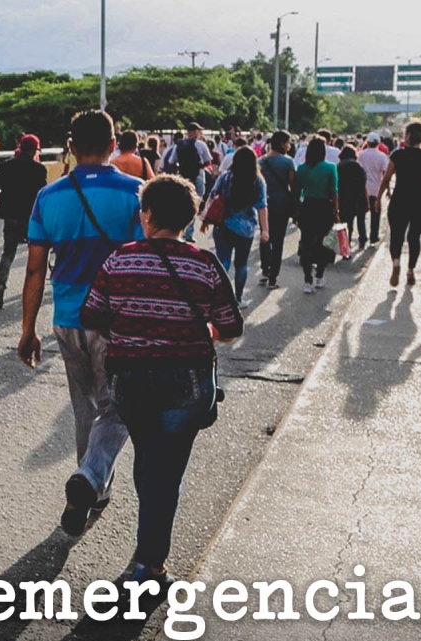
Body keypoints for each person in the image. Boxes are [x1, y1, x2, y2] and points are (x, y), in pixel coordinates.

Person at [80, 174, 243, 594]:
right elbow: (230, 327)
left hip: (130, 378)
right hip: (185, 381)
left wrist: (130, 324)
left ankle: (148, 552)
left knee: (149, 460)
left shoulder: (121, 259)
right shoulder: (204, 264)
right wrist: (203, 330)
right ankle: (151, 565)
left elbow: (92, 316)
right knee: (165, 469)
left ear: (146, 215)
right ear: (190, 218)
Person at [19, 109, 140, 536]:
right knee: (120, 408)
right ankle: (90, 479)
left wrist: (27, 330)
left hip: (67, 318)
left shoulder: (49, 198)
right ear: (114, 145)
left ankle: (91, 486)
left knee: (84, 406)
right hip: (117, 321)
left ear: (69, 147)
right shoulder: (136, 193)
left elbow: (35, 271)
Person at [377, 120, 421, 287]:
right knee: (414, 236)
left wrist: (379, 199)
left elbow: (386, 179)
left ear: (407, 136)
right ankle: (410, 270)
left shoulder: (397, 155)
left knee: (397, 235)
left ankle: (395, 263)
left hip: (400, 199)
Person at [199, 147, 268, 308]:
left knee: (222, 261)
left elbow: (212, 197)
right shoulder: (258, 181)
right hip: (246, 228)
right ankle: (238, 298)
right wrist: (265, 230)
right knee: (242, 264)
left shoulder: (225, 177)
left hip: (223, 224)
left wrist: (205, 219)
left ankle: (218, 298)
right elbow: (262, 206)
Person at [0, 134, 49, 310]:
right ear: (33, 150)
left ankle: (0, 285)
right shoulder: (39, 169)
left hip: (10, 216)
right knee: (36, 256)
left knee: (8, 254)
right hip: (31, 218)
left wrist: (5, 203)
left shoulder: (6, 166)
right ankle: (31, 294)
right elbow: (42, 196)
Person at [294, 136, 339, 294]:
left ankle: (307, 280)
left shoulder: (302, 168)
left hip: (307, 206)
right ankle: (320, 275)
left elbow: (296, 192)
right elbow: (334, 191)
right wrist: (336, 211)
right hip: (324, 208)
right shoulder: (330, 168)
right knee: (324, 242)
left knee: (306, 243)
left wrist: (295, 212)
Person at [257, 131, 297, 288]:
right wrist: (295, 207)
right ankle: (273, 278)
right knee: (278, 240)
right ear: (282, 143)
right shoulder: (288, 162)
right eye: (288, 142)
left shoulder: (260, 161)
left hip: (264, 205)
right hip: (282, 205)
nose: (290, 145)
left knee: (264, 236)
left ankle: (264, 271)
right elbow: (293, 186)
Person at [165, 123, 212, 240]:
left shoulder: (179, 145)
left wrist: (181, 166)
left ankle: (181, 230)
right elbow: (208, 161)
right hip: (198, 176)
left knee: (183, 202)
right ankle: (189, 233)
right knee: (195, 202)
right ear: (194, 132)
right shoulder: (201, 145)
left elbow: (171, 161)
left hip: (183, 176)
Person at [358, 133, 390, 246]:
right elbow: (386, 174)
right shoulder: (382, 156)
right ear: (378, 143)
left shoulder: (361, 155)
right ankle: (373, 236)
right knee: (375, 214)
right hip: (376, 189)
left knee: (361, 214)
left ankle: (362, 238)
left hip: (363, 189)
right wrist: (388, 190)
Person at [337, 146, 369, 251]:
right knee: (361, 221)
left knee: (347, 224)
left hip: (344, 198)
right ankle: (362, 241)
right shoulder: (358, 166)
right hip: (358, 197)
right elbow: (363, 184)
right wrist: (367, 200)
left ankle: (346, 247)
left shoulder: (339, 166)